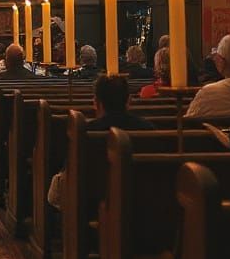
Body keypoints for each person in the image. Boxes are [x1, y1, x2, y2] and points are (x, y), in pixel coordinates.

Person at [47, 74, 153, 208]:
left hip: (89, 207)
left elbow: (59, 190)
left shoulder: (85, 132)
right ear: (128, 101)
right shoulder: (148, 129)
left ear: (96, 102)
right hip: (141, 205)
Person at [185, 34, 230, 118]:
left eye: (216, 57)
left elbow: (188, 122)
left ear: (221, 62)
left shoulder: (207, 94)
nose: (214, 59)